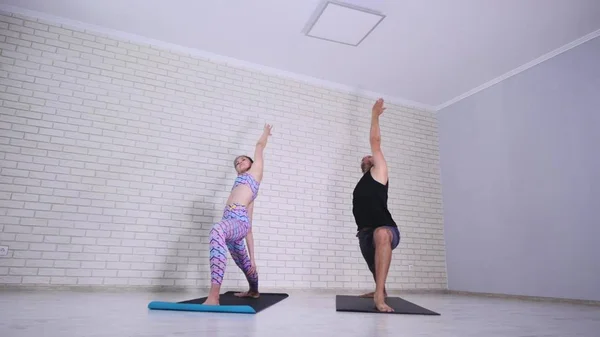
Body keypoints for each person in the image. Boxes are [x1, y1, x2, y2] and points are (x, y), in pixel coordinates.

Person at [202, 123, 273, 305]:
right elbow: (250, 228)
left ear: (251, 163)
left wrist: (265, 132)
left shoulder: (255, 173)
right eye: (236, 163)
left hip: (236, 224)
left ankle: (213, 296)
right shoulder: (240, 185)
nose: (239, 162)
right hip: (234, 226)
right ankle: (254, 291)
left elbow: (259, 146)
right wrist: (253, 260)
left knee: (216, 230)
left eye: (243, 159)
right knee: (246, 265)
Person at [352, 98, 400, 313]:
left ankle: (379, 296)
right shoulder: (362, 182)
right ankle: (380, 289)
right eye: (364, 158)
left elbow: (375, 141)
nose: (367, 156)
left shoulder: (379, 172)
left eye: (370, 156)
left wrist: (374, 115)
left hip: (385, 229)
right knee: (374, 266)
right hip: (364, 232)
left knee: (381, 235)